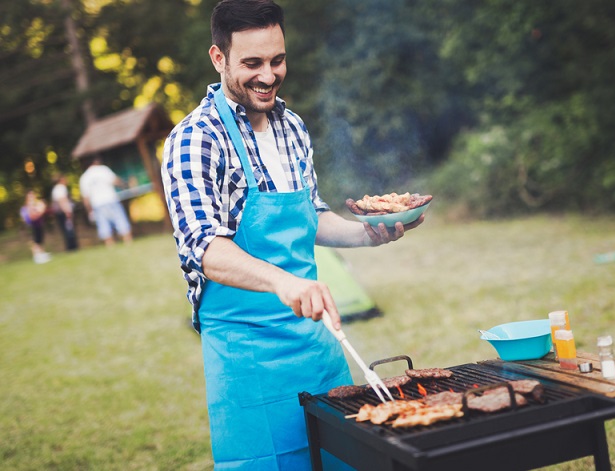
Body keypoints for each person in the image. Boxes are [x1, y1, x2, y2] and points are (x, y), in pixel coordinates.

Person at [160, 0, 425, 469]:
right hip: (248, 358)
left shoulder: (292, 127)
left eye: (277, 60)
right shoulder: (194, 139)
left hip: (318, 345)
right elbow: (204, 247)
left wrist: (371, 233)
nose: (268, 75)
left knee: (345, 458)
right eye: (252, 63)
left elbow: (311, 216)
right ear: (218, 58)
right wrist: (285, 282)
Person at [79, 157, 132, 246]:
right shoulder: (103, 169)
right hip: (111, 199)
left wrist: (89, 211)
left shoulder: (84, 177)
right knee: (120, 221)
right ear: (95, 161)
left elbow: (86, 198)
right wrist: (126, 184)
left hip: (97, 203)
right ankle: (128, 242)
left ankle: (110, 245)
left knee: (104, 226)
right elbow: (115, 181)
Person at [20, 190, 51, 264]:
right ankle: (37, 257)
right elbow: (32, 216)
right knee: (36, 241)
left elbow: (40, 212)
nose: (32, 197)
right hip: (33, 226)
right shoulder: (27, 207)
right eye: (30, 196)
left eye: (33, 195)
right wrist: (38, 212)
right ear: (27, 198)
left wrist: (39, 210)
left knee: (40, 240)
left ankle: (42, 254)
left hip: (39, 224)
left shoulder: (35, 204)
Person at [51, 174, 79, 251]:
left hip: (61, 212)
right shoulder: (60, 188)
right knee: (69, 230)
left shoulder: (56, 189)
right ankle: (72, 247)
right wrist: (67, 211)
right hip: (64, 212)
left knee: (67, 230)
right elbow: (62, 200)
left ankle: (71, 247)